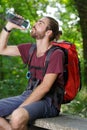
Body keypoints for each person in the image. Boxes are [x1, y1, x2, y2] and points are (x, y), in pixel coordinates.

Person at [0, 16, 64, 130]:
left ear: (48, 32)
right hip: (28, 95)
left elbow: (45, 87)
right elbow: (1, 49)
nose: (34, 24)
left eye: (40, 23)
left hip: (48, 101)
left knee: (17, 116)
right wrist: (9, 26)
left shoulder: (56, 54)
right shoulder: (30, 49)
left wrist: (21, 107)